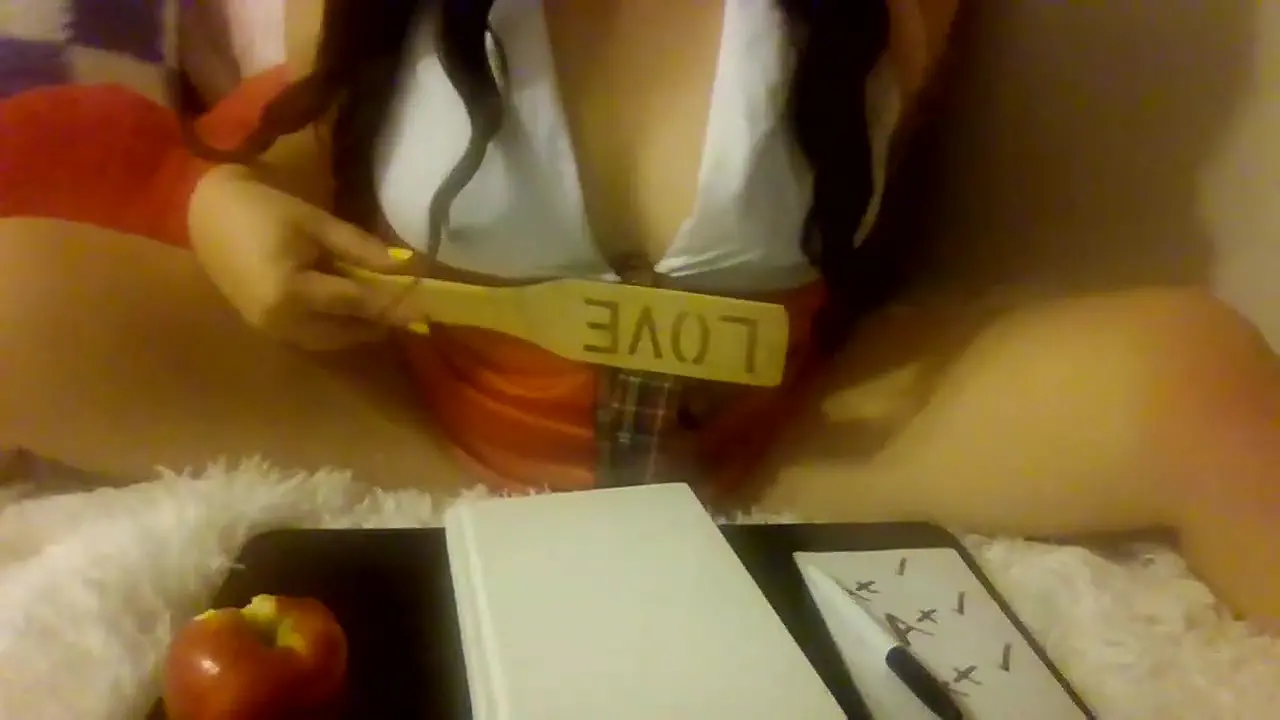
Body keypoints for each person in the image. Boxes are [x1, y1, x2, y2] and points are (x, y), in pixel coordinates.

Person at [0, 0, 1276, 628]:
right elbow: (293, 158)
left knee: (1201, 381)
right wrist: (217, 206)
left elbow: (898, 223)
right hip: (423, 419)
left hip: (785, 440)